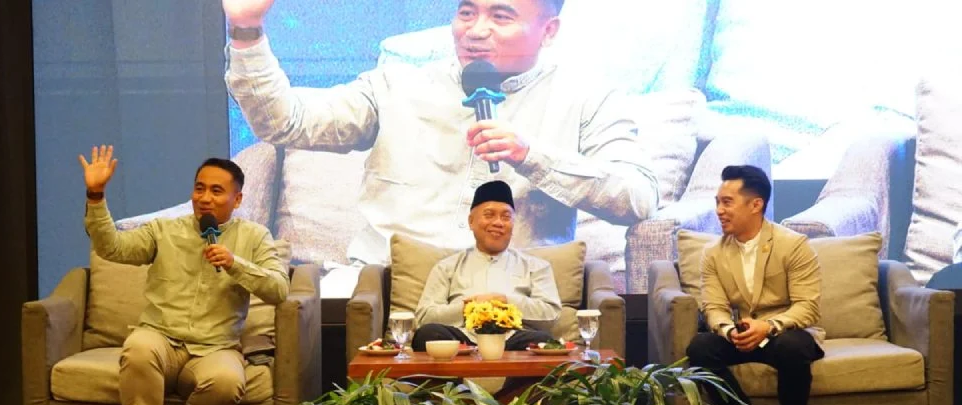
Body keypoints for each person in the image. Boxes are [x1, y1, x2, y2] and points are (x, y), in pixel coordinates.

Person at [221, 0, 658, 265]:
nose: (476, 30)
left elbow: (637, 197)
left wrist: (532, 156)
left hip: (519, 295)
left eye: (501, 16)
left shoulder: (586, 99)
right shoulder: (396, 84)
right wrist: (246, 31)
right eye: (466, 12)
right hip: (394, 290)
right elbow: (285, 121)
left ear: (549, 31)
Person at [79, 145, 290, 405]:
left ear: (237, 200)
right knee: (138, 348)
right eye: (199, 188)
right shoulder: (163, 231)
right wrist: (96, 195)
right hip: (160, 337)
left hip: (215, 347)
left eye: (216, 191)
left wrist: (236, 264)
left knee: (227, 381)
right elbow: (111, 248)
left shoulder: (255, 237)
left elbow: (279, 289)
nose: (204, 198)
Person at [686, 165, 824, 405]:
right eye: (717, 202)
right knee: (700, 347)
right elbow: (714, 307)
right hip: (743, 334)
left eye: (727, 202)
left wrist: (768, 326)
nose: (719, 210)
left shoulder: (793, 245)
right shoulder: (713, 253)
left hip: (782, 334)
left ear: (756, 204)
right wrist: (728, 331)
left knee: (794, 346)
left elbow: (807, 307)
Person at [412, 180, 561, 352]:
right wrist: (468, 308)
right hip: (462, 339)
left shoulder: (536, 266)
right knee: (427, 334)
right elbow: (423, 317)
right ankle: (466, 368)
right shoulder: (447, 267)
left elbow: (551, 314)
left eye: (506, 217)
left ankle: (497, 369)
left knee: (543, 341)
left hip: (514, 338)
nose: (498, 223)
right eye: (489, 215)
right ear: (471, 221)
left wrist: (506, 302)